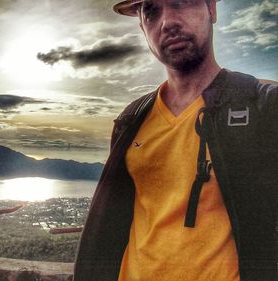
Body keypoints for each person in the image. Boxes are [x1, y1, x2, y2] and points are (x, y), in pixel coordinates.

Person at [74, 1, 277, 280]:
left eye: (180, 3)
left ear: (212, 9)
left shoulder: (260, 106)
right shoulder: (132, 120)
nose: (167, 22)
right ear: (142, 26)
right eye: (151, 11)